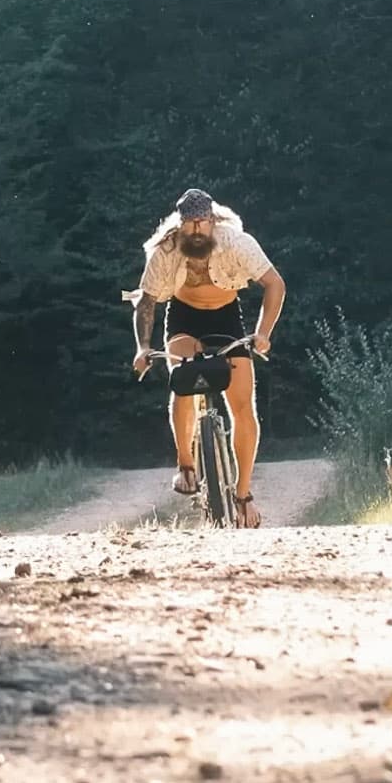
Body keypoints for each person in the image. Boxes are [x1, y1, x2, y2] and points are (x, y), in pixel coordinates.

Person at [127, 188, 287, 528]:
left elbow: (275, 284)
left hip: (226, 317)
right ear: (180, 225)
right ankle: (186, 465)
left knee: (243, 404)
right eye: (190, 224)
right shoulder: (166, 250)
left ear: (213, 221)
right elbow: (146, 301)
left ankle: (243, 496)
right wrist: (143, 347)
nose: (197, 230)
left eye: (203, 222)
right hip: (184, 317)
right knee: (182, 380)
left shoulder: (237, 242)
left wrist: (263, 334)